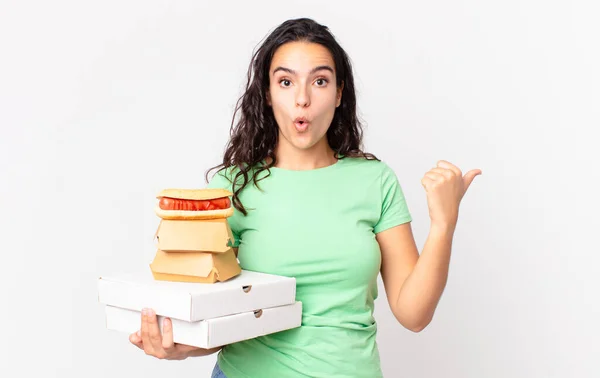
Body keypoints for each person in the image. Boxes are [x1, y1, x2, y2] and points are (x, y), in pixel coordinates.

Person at [128, 17, 481, 377]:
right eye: (285, 82)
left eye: (320, 81)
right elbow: (219, 318)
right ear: (267, 93)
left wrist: (443, 223)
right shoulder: (230, 188)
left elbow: (413, 314)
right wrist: (179, 345)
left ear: (339, 92)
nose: (302, 99)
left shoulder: (375, 181)